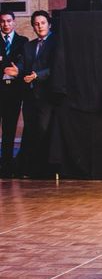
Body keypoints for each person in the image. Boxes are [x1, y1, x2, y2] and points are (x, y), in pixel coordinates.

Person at [5, 11, 56, 178]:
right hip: (30, 97)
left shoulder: (56, 43)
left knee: (43, 129)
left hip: (46, 96)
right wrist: (17, 70)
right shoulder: (28, 46)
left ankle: (44, 170)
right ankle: (31, 170)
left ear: (49, 24)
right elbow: (22, 64)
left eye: (42, 23)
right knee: (31, 131)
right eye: (36, 23)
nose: (39, 26)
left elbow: (55, 68)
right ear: (33, 26)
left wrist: (37, 75)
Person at [0, 10, 28, 178]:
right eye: (2, 21)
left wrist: (17, 72)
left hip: (13, 94)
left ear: (14, 22)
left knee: (10, 131)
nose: (6, 24)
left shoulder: (22, 42)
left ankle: (7, 168)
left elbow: (23, 66)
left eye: (9, 21)